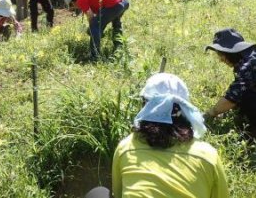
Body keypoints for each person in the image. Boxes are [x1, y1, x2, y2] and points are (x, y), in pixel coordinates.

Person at [84, 73, 228, 198]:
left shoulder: (126, 147)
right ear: (184, 109)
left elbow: (119, 192)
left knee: (99, 194)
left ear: (145, 106)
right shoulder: (207, 155)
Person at [65, 0, 129, 61]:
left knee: (94, 27)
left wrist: (92, 30)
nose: (76, 8)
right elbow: (98, 14)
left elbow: (91, 17)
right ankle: (119, 49)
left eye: (72, 7)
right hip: (124, 1)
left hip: (115, 4)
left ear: (72, 2)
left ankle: (95, 56)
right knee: (116, 25)